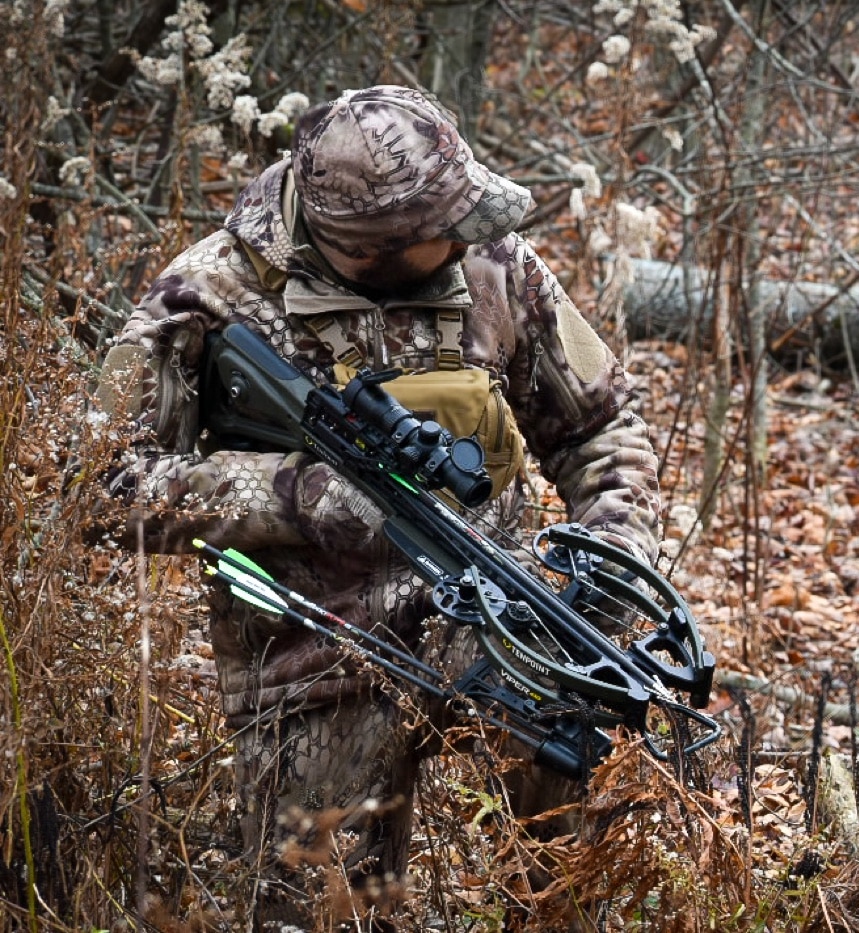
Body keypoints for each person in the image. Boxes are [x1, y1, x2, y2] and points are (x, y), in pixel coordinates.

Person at [95, 85, 662, 930]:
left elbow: (602, 423)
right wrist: (296, 496)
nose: (467, 240)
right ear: (372, 252)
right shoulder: (207, 297)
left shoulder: (494, 262)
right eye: (442, 233)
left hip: (495, 609)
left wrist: (616, 542)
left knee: (573, 787)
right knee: (318, 907)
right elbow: (100, 485)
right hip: (311, 653)